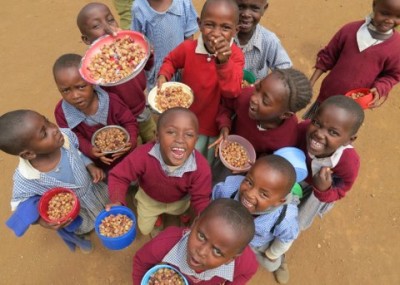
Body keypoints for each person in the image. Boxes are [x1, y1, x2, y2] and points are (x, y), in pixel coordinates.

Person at [0, 110, 109, 252]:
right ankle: (84, 235)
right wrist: (41, 221)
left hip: (93, 190)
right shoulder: (26, 177)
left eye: (47, 121)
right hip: (76, 212)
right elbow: (19, 205)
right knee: (83, 226)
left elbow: (77, 152)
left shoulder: (65, 137)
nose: (54, 129)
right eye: (44, 133)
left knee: (104, 209)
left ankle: (102, 217)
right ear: (28, 153)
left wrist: (90, 165)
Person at [157, 0, 244, 163]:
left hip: (211, 124)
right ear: (199, 23)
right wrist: (164, 75)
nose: (216, 33)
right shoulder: (188, 48)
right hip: (183, 118)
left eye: (225, 28)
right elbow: (171, 61)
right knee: (178, 156)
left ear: (235, 30)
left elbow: (232, 92)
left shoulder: (236, 56)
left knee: (202, 160)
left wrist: (224, 63)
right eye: (210, 25)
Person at [107, 108, 212, 236]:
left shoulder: (200, 167)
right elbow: (119, 176)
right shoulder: (143, 155)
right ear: (157, 136)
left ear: (196, 140)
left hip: (178, 201)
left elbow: (201, 198)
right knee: (145, 229)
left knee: (181, 209)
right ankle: (157, 219)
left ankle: (181, 214)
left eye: (189, 134)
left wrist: (204, 218)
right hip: (149, 199)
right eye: (171, 132)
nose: (180, 139)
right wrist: (117, 200)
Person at [77, 2, 156, 144]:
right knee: (133, 146)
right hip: (119, 120)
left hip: (141, 108)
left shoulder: (130, 47)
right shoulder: (92, 68)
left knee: (153, 138)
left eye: (110, 20)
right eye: (96, 26)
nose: (108, 28)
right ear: (86, 39)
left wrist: (148, 56)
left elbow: (147, 68)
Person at [305, 0, 400, 117]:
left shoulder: (397, 46)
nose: (390, 20)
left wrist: (380, 89)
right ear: (374, 6)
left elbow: (392, 75)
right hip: (327, 96)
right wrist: (310, 83)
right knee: (312, 127)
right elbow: (328, 56)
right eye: (385, 13)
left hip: (353, 108)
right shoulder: (350, 30)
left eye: (398, 16)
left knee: (337, 133)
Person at [213, 155, 298, 284]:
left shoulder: (284, 219)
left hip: (256, 244)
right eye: (249, 182)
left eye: (263, 194)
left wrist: (272, 254)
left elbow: (285, 239)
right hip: (229, 232)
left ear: (279, 201)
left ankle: (280, 262)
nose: (249, 194)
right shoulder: (229, 188)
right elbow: (214, 200)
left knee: (271, 264)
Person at [132, 198, 258, 285]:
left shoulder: (243, 261)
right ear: (195, 222)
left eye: (217, 251)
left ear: (231, 258)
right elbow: (141, 260)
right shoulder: (168, 242)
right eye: (201, 236)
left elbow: (249, 271)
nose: (201, 251)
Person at [53, 53, 138, 172]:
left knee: (134, 170)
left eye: (81, 87)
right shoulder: (62, 113)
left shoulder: (112, 102)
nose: (75, 95)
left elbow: (129, 122)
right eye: (66, 90)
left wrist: (131, 141)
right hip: (99, 162)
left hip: (125, 153)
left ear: (92, 81)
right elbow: (73, 137)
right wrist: (89, 150)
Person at [296, 95, 365, 230]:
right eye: (316, 123)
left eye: (333, 132)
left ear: (349, 140)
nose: (319, 134)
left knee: (299, 221)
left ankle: (280, 246)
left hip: (318, 191)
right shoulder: (302, 130)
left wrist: (323, 189)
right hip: (296, 176)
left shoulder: (348, 162)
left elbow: (340, 191)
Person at [215, 68, 312, 157]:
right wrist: (225, 126)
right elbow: (226, 105)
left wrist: (253, 164)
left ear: (285, 115)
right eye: (257, 88)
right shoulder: (245, 97)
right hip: (225, 142)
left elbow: (271, 160)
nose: (253, 98)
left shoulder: (286, 139)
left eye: (265, 101)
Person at [132, 0, 199, 89]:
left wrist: (186, 62)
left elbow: (189, 36)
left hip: (180, 68)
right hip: (155, 73)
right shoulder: (139, 7)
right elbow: (138, 43)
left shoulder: (183, 3)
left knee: (182, 97)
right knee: (160, 99)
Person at [234, 0, 291, 80]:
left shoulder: (269, 40)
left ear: (264, 9)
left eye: (254, 8)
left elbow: (287, 72)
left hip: (255, 91)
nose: (246, 14)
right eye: (240, 7)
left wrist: (265, 85)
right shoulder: (221, 36)